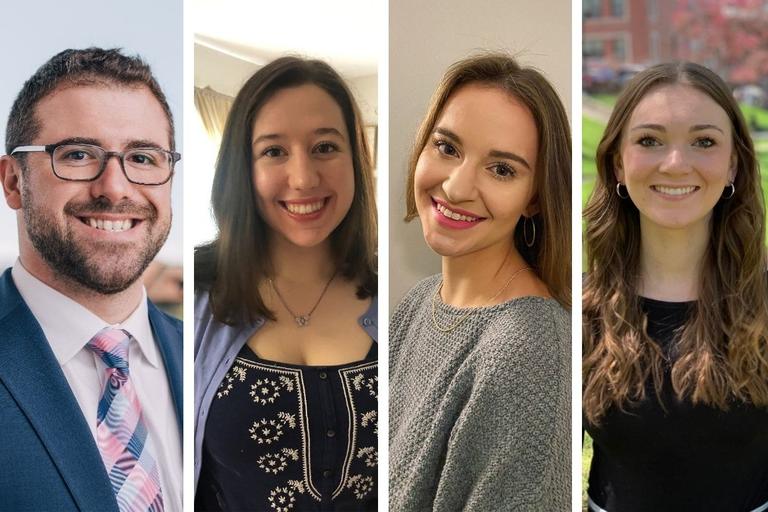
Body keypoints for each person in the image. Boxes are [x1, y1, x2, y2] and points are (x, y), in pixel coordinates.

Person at [0, 48, 182, 511]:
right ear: (13, 182)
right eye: (78, 154)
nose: (115, 188)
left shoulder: (206, 355)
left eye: (142, 157)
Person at [194, 56, 378, 511]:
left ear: (355, 157)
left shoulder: (398, 300)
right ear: (243, 167)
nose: (303, 178)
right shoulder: (193, 298)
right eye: (274, 151)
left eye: (325, 147)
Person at [389, 54, 572, 511]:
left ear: (534, 200)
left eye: (502, 169)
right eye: (447, 148)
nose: (455, 187)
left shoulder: (527, 351)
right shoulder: (420, 301)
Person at [583, 62, 768, 512]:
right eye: (650, 140)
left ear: (733, 166)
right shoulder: (576, 310)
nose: (675, 164)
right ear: (617, 164)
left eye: (704, 142)